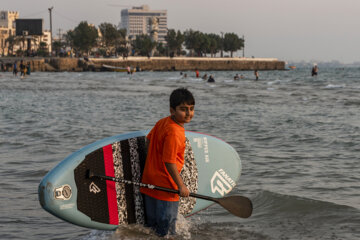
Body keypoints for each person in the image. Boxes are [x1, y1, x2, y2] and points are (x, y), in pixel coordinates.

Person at [140, 88, 195, 237]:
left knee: (151, 228)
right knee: (167, 230)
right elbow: (169, 162)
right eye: (183, 109)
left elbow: (148, 140)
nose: (189, 113)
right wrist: (181, 185)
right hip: (167, 187)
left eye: (191, 109)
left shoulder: (162, 122)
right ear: (172, 110)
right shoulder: (175, 132)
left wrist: (153, 161)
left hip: (150, 181)